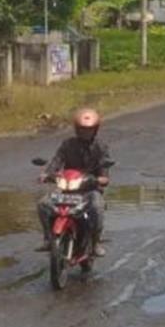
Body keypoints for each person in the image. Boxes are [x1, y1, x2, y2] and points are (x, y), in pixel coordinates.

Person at [37, 107, 110, 255]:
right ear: (76, 129)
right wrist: (46, 174)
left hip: (90, 189)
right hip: (67, 188)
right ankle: (47, 239)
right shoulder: (68, 144)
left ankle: (95, 244)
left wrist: (100, 179)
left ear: (95, 130)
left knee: (97, 207)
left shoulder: (101, 147)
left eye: (89, 130)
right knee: (43, 204)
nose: (85, 133)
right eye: (82, 129)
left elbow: (104, 170)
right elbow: (57, 160)